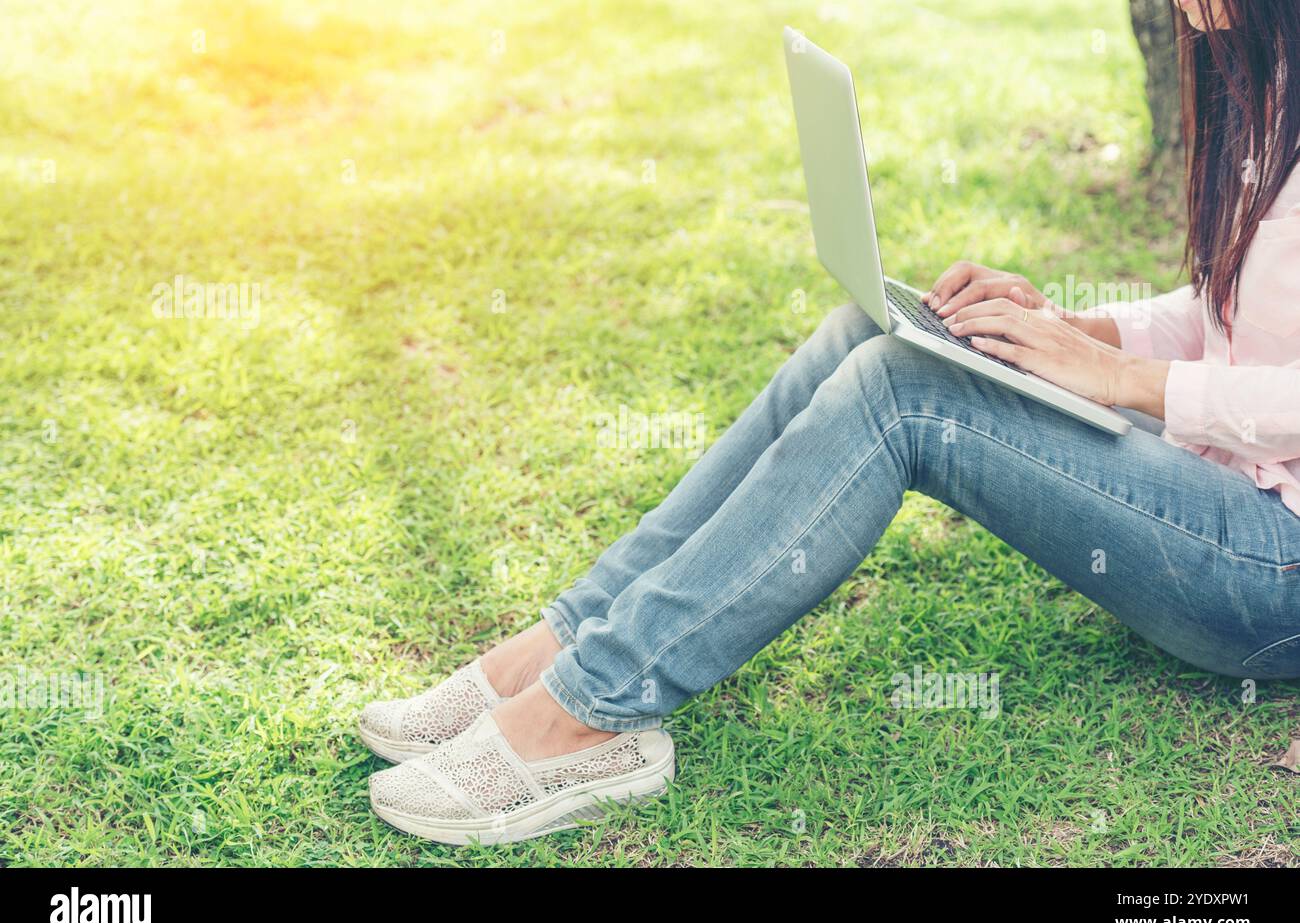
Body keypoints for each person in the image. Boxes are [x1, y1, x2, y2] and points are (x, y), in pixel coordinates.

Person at [361, 0, 1300, 845]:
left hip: (1274, 569)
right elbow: (1239, 313)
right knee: (874, 327)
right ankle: (562, 642)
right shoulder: (1272, 86)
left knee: (905, 390)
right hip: (1219, 488)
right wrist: (1068, 332)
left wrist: (1124, 377)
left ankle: (589, 713)